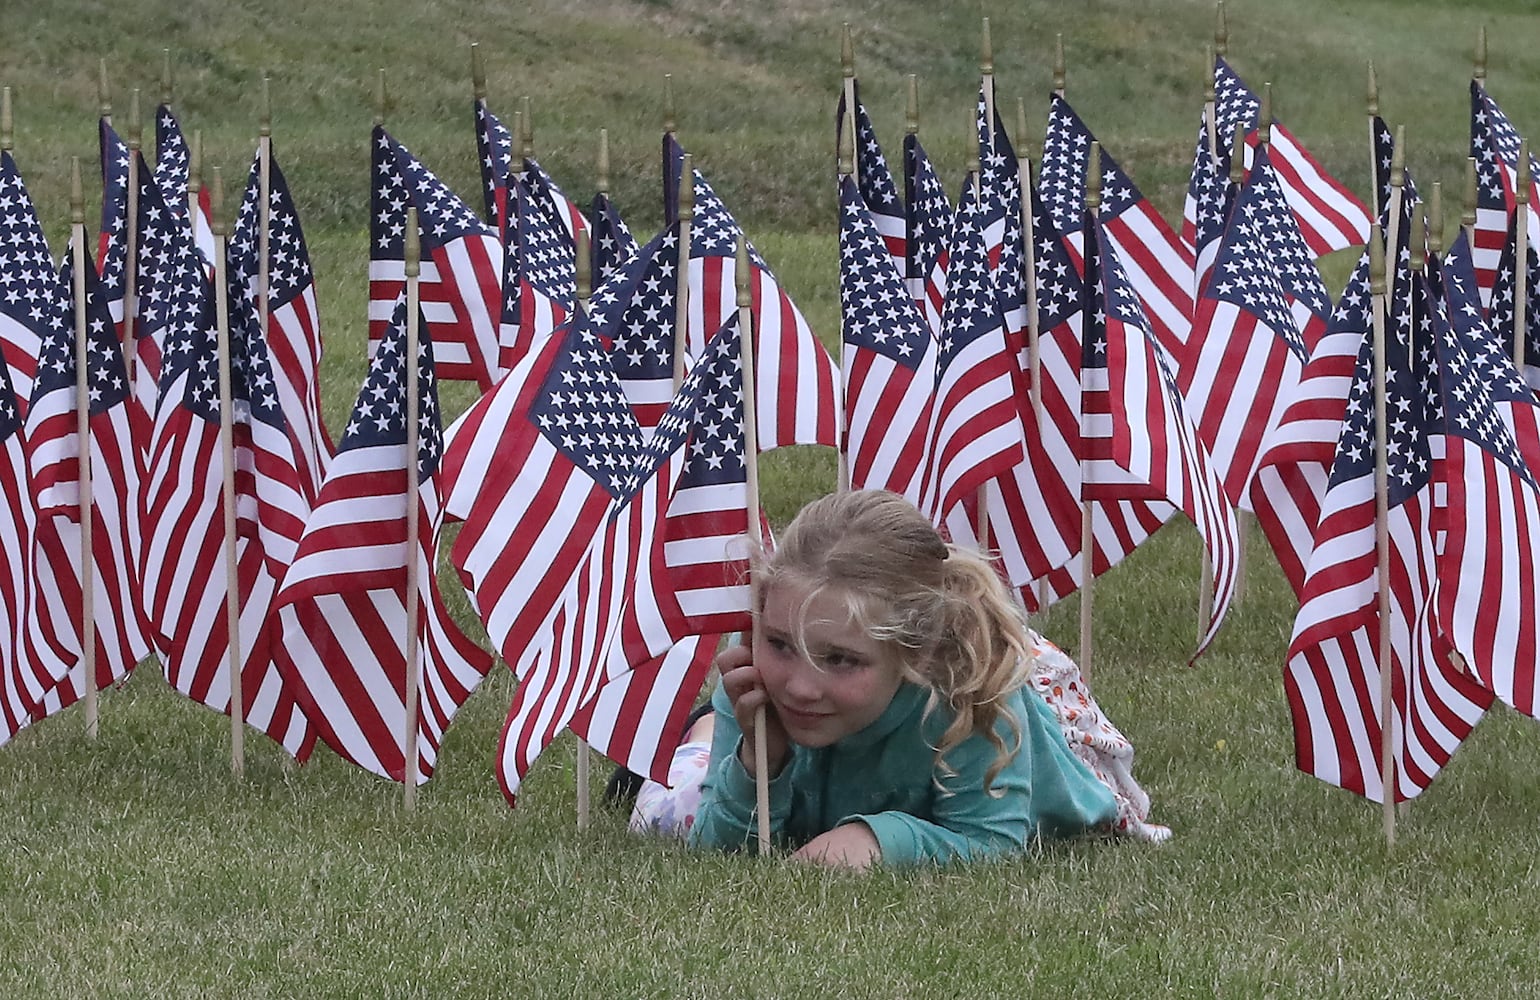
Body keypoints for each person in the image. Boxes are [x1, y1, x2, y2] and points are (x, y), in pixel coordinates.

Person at [626, 489, 1160, 869]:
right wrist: (758, 762)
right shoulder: (755, 686)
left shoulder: (970, 696)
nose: (799, 687)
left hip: (1048, 731)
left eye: (840, 660)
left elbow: (992, 840)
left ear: (917, 652)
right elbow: (721, 853)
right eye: (781, 644)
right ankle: (699, 738)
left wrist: (876, 839)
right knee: (676, 809)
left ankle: (693, 743)